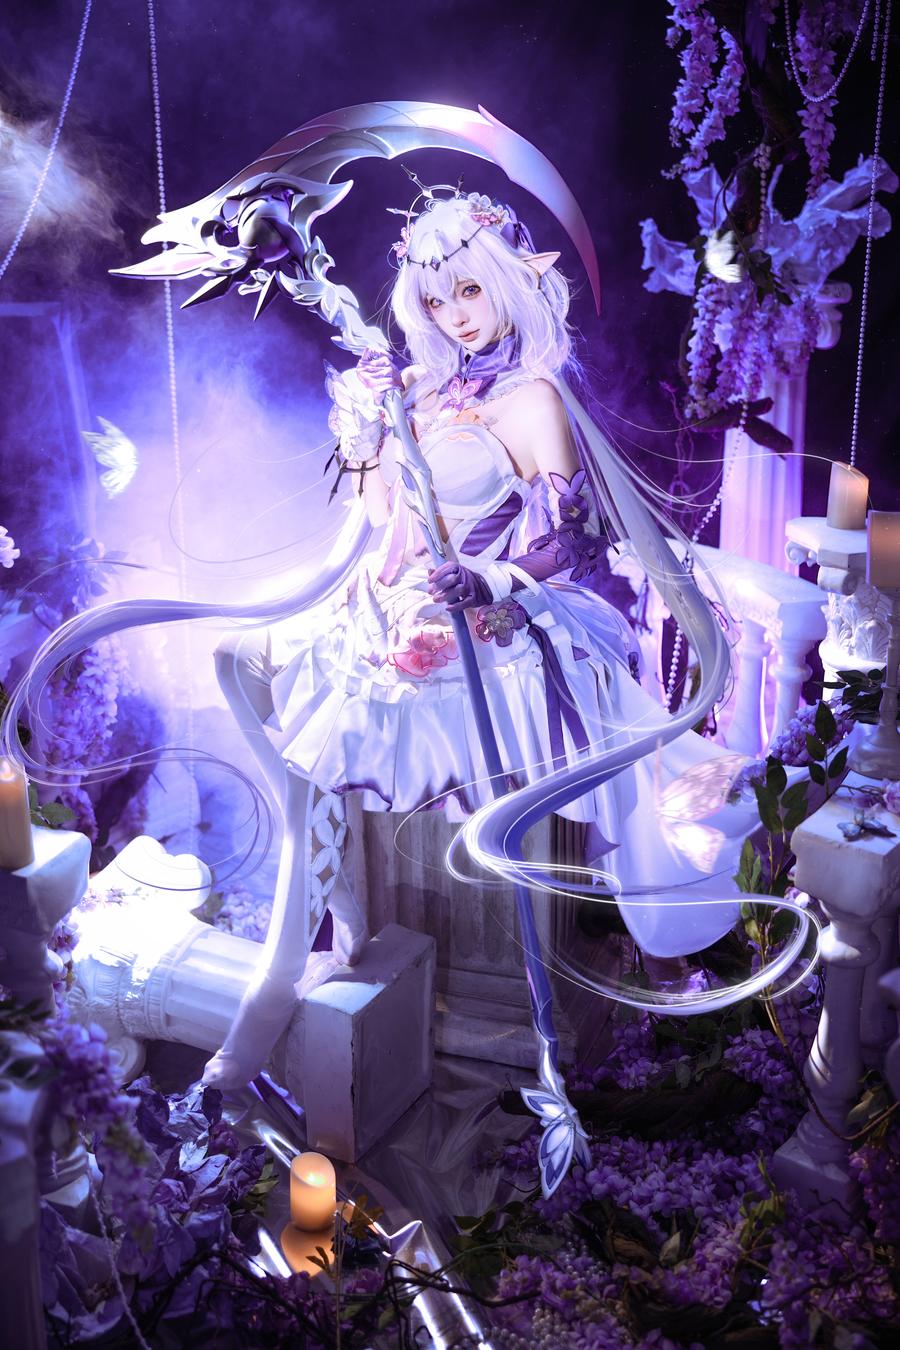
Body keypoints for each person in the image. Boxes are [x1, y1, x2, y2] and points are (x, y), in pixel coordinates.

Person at [202, 188, 756, 1088]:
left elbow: (576, 540)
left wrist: (494, 581)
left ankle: (593, 971)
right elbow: (380, 515)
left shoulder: (535, 397)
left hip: (488, 612)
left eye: (468, 291)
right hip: (395, 610)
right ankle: (338, 915)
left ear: (504, 282)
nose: (453, 315)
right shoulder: (417, 387)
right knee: (255, 670)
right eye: (435, 299)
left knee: (576, 768)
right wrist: (366, 431)